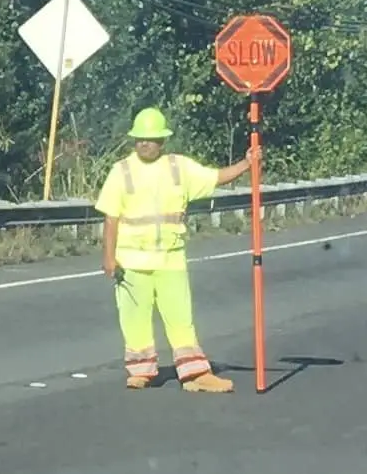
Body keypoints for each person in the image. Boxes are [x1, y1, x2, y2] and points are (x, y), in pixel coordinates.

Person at [96, 107, 254, 392]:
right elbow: (111, 217)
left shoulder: (178, 167)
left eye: (150, 139)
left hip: (171, 259)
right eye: (140, 139)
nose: (144, 143)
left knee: (181, 318)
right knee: (134, 319)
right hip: (132, 261)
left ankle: (195, 374)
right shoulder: (122, 171)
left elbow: (215, 177)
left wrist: (246, 164)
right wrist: (109, 257)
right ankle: (141, 371)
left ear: (162, 140)